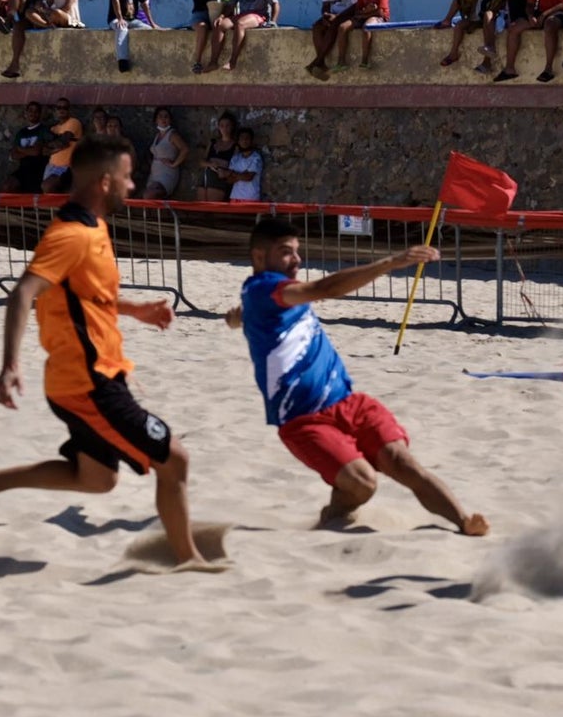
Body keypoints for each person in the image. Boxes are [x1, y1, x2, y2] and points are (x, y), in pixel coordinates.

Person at [0, 134, 209, 569]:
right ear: (105, 181)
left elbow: (82, 297)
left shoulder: (94, 226)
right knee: (174, 458)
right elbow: (23, 291)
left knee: (97, 479)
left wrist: (134, 309)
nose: (133, 186)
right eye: (127, 177)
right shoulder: (71, 235)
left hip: (88, 378)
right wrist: (9, 365)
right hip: (88, 383)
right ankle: (188, 560)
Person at [225, 217, 489, 537]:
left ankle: (464, 521)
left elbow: (267, 311)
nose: (296, 259)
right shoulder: (264, 287)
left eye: (297, 251)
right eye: (285, 252)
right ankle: (332, 516)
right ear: (258, 257)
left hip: (349, 402)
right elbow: (324, 288)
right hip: (303, 420)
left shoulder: (272, 294)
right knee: (363, 482)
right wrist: (391, 263)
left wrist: (240, 319)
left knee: (404, 464)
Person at [209, 0, 280, 72]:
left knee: (240, 24)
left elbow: (275, 4)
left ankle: (232, 61)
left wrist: (273, 22)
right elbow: (231, 5)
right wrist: (221, 16)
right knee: (220, 25)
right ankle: (213, 62)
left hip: (259, 15)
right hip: (243, 14)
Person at [435, 0, 504, 76]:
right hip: (474, 19)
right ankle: (453, 53)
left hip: (487, 22)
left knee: (487, 16)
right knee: (459, 25)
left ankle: (487, 60)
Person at [307, 0, 363, 80]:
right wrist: (325, 16)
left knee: (335, 26)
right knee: (317, 27)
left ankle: (317, 61)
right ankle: (320, 62)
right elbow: (325, 5)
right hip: (333, 15)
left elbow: (357, 6)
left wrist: (337, 17)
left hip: (350, 15)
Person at [0, 0, 57, 79]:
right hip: (28, 17)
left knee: (26, 6)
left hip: (42, 17)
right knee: (18, 24)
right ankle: (15, 63)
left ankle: (10, 21)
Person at [333, 0, 389, 70]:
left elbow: (380, 12)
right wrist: (366, 11)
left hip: (378, 18)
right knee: (342, 27)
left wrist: (365, 12)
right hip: (363, 15)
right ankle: (341, 62)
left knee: (367, 27)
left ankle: (365, 61)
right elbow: (357, 11)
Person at [109, 0, 160, 74]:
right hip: (116, 19)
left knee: (147, 30)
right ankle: (122, 61)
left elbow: (144, 5)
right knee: (122, 29)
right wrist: (120, 18)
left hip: (132, 19)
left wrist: (152, 23)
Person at [2, 101, 54, 194]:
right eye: (30, 110)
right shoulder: (21, 133)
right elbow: (14, 155)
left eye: (36, 111)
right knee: (7, 186)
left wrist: (21, 149)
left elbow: (36, 152)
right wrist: (29, 150)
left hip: (38, 170)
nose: (33, 113)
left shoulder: (43, 130)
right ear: (26, 113)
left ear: (40, 114)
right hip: (23, 169)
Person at [188, 0, 230, 74]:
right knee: (202, 28)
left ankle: (214, 61)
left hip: (213, 13)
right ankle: (197, 61)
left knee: (220, 27)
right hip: (199, 15)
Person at [143, 106, 189, 200]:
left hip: (166, 174)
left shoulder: (172, 135)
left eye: (166, 116)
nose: (163, 119)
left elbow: (185, 149)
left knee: (150, 195)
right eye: (160, 116)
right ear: (156, 120)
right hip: (154, 173)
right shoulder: (157, 136)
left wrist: (174, 164)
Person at [41, 97, 82, 194]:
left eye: (65, 107)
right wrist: (55, 147)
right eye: (59, 107)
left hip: (66, 167)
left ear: (69, 110)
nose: (62, 110)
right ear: (55, 110)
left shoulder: (74, 122)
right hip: (51, 166)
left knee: (47, 186)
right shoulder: (53, 128)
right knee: (50, 195)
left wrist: (52, 146)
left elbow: (63, 142)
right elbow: (44, 151)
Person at [196, 110, 237, 202]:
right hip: (205, 176)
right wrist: (211, 164)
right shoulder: (213, 142)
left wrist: (223, 170)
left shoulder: (235, 146)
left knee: (212, 207)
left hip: (218, 179)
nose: (224, 129)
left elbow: (235, 167)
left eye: (227, 126)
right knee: (200, 208)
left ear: (232, 127)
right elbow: (201, 162)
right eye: (222, 126)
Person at [223, 126, 262, 202]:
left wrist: (232, 173)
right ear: (238, 141)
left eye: (247, 138)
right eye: (242, 138)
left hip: (251, 198)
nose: (244, 140)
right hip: (235, 197)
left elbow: (248, 177)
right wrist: (241, 175)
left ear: (251, 141)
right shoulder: (235, 158)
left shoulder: (256, 158)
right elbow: (229, 180)